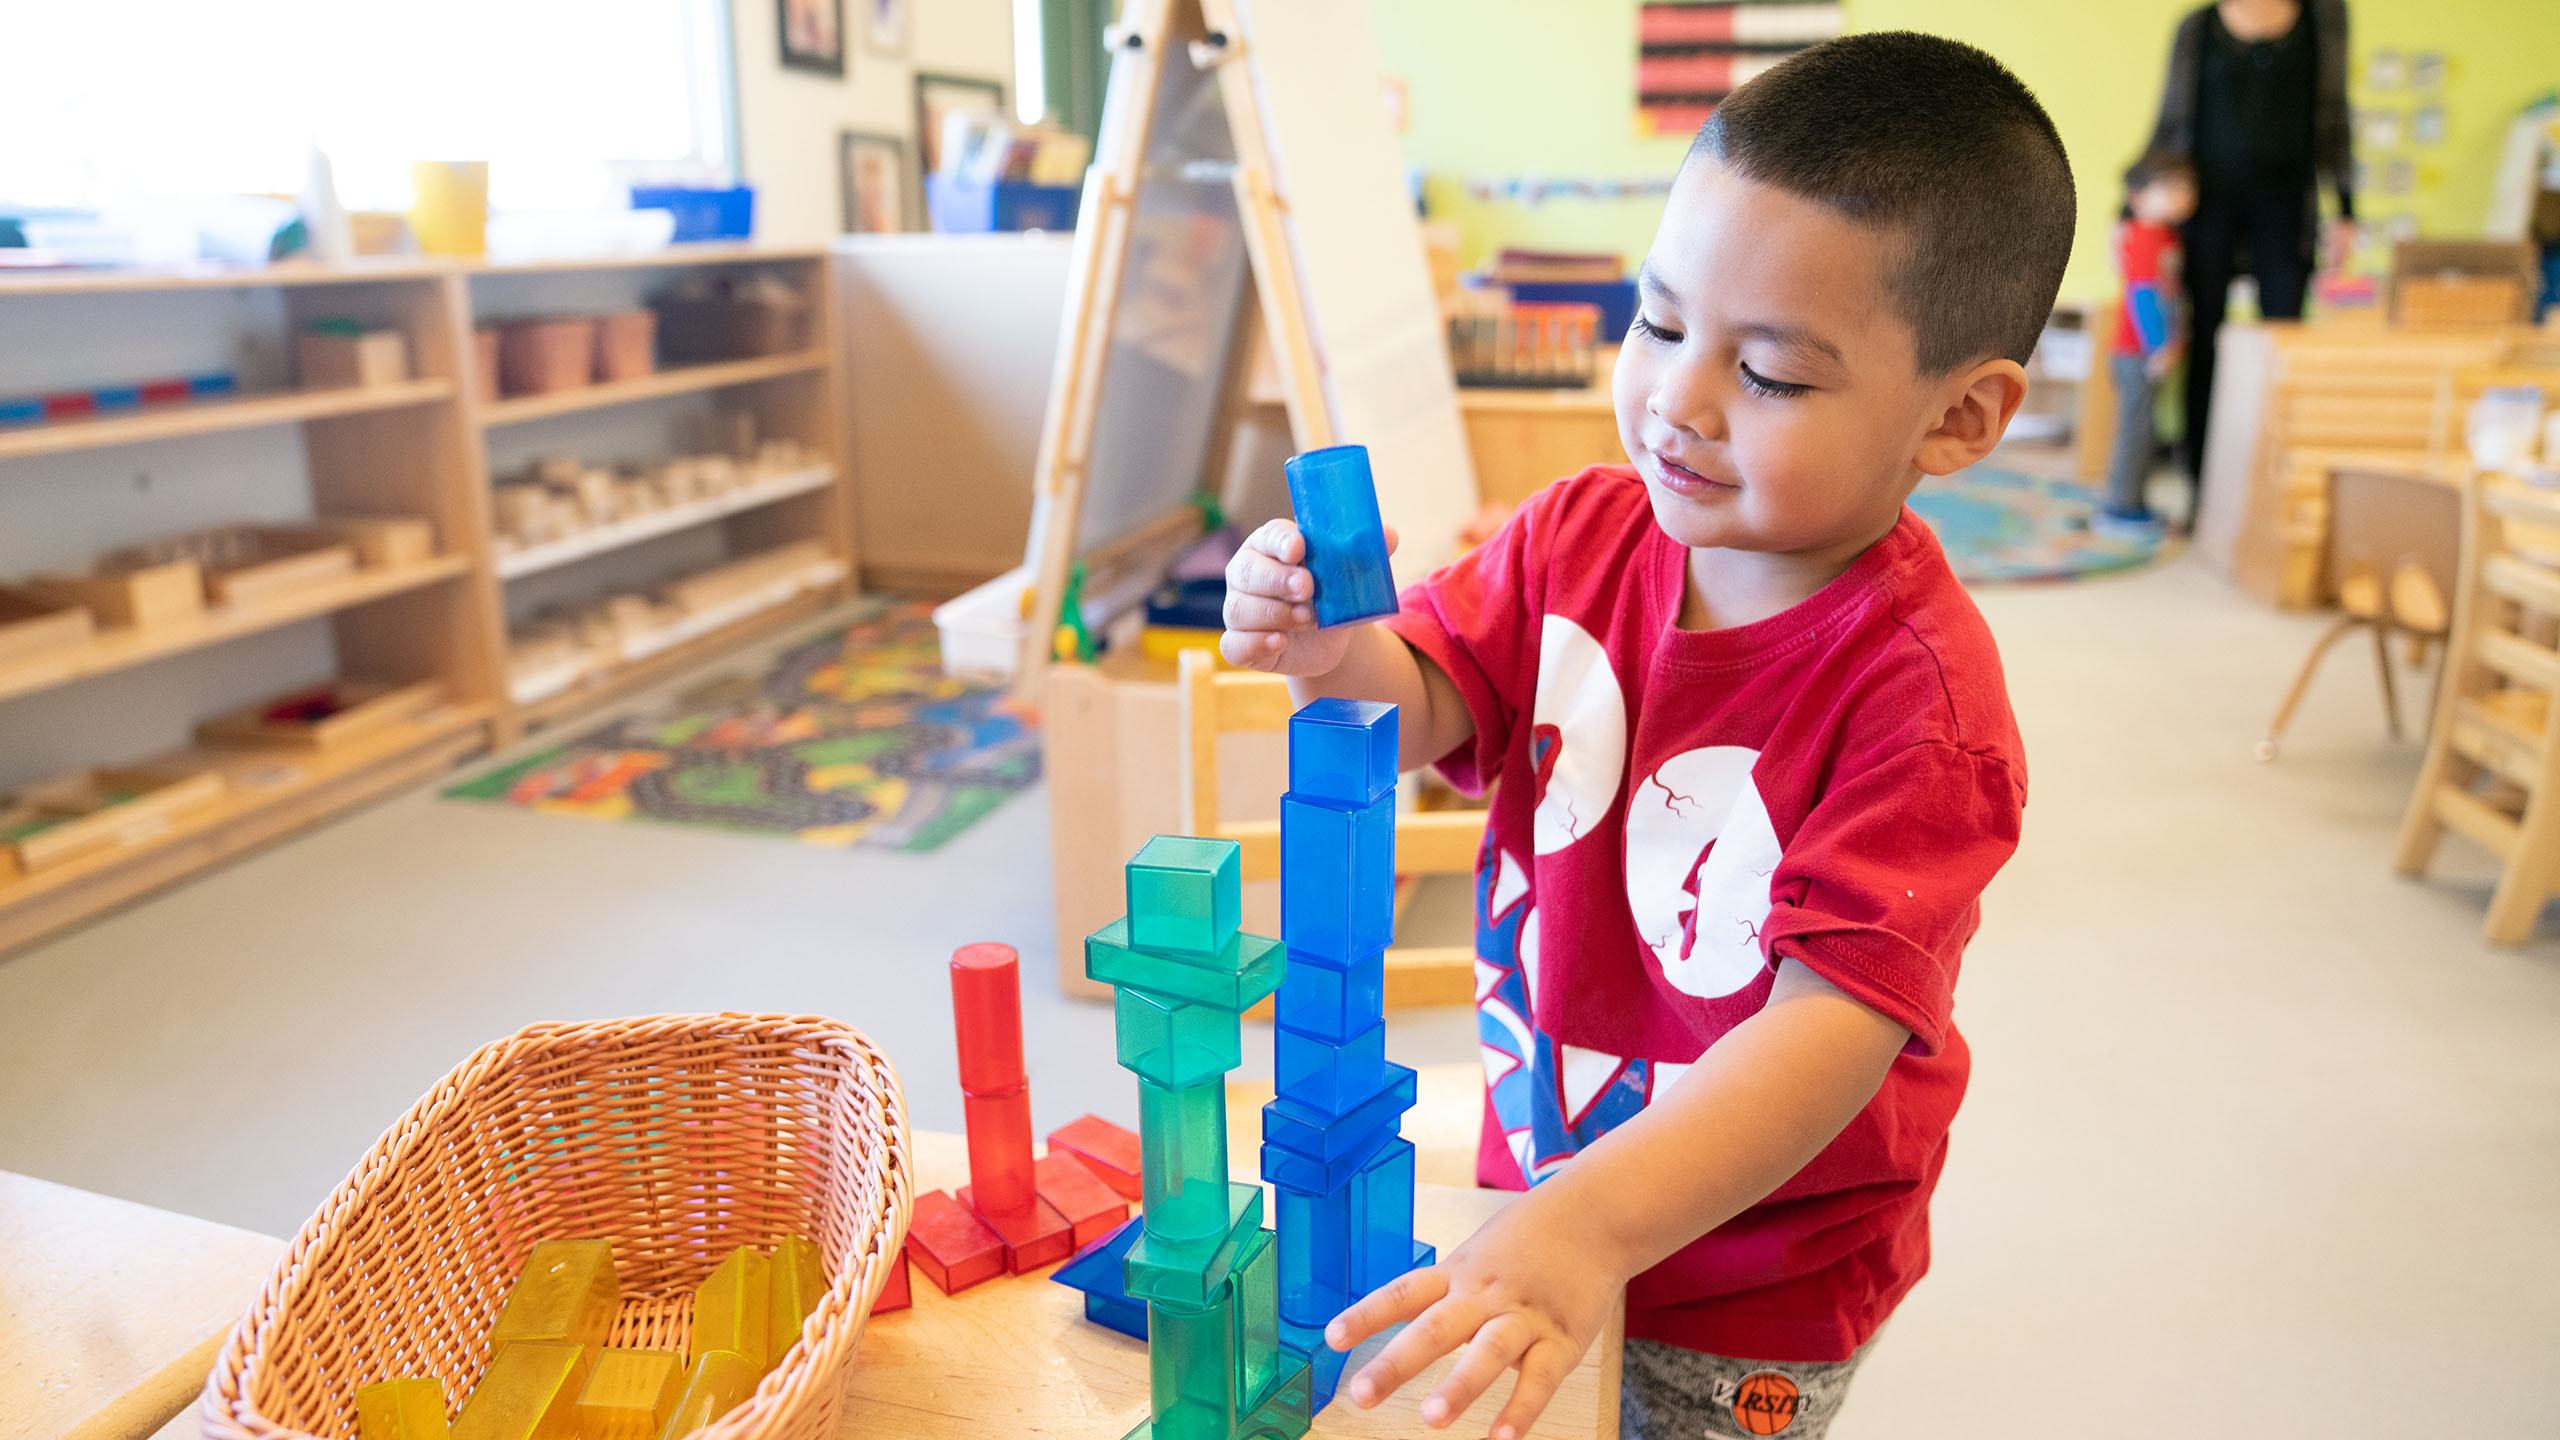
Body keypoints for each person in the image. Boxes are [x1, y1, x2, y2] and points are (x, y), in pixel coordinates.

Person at [1220, 32, 2069, 1440]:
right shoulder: (1574, 533)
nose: (1676, 400)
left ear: (1960, 415)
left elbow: (1833, 1033)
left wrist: (1593, 1230)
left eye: (1775, 377)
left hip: (1748, 1289)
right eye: (1661, 322)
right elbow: (1427, 693)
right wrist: (1327, 648)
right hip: (1541, 1189)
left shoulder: (1923, 706)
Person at [2144, 0, 2355, 488]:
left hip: (2284, 210)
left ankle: (2268, 480)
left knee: (2280, 345)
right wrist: (2133, 205)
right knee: (2205, 344)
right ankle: (2203, 483)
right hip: (2208, 209)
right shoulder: (2197, 28)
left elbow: (2334, 115)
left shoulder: (2326, 19)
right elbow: (2169, 122)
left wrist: (2344, 211)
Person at [2102, 151, 2199, 532]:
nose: (2184, 195)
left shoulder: (2162, 235)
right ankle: (2120, 506)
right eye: (2171, 187)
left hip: (2144, 351)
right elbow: (2142, 295)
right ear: (2138, 197)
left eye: (2188, 187)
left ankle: (2132, 498)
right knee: (2136, 429)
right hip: (2136, 352)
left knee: (2143, 429)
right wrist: (2158, 345)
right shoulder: (2145, 237)